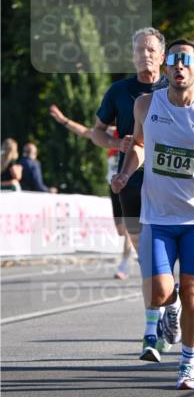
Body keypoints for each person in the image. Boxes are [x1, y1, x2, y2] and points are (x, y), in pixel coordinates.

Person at [111, 38, 194, 389]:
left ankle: (188, 364)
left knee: (192, 292)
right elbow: (138, 145)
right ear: (166, 68)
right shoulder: (145, 104)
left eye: (186, 61)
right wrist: (125, 173)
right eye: (173, 60)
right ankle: (169, 310)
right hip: (157, 217)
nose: (179, 66)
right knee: (159, 290)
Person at [92, 28, 170, 342]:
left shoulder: (174, 87)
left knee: (165, 257)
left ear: (162, 56)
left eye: (150, 50)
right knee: (145, 258)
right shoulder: (119, 91)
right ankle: (156, 323)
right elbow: (97, 132)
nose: (144, 55)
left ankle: (166, 309)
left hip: (169, 183)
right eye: (139, 50)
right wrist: (116, 143)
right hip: (131, 181)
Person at [49, 103, 134, 279]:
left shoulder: (134, 133)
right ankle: (132, 249)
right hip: (113, 185)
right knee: (120, 229)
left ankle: (125, 261)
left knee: (128, 226)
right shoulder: (110, 133)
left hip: (129, 183)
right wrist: (64, 120)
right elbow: (85, 132)